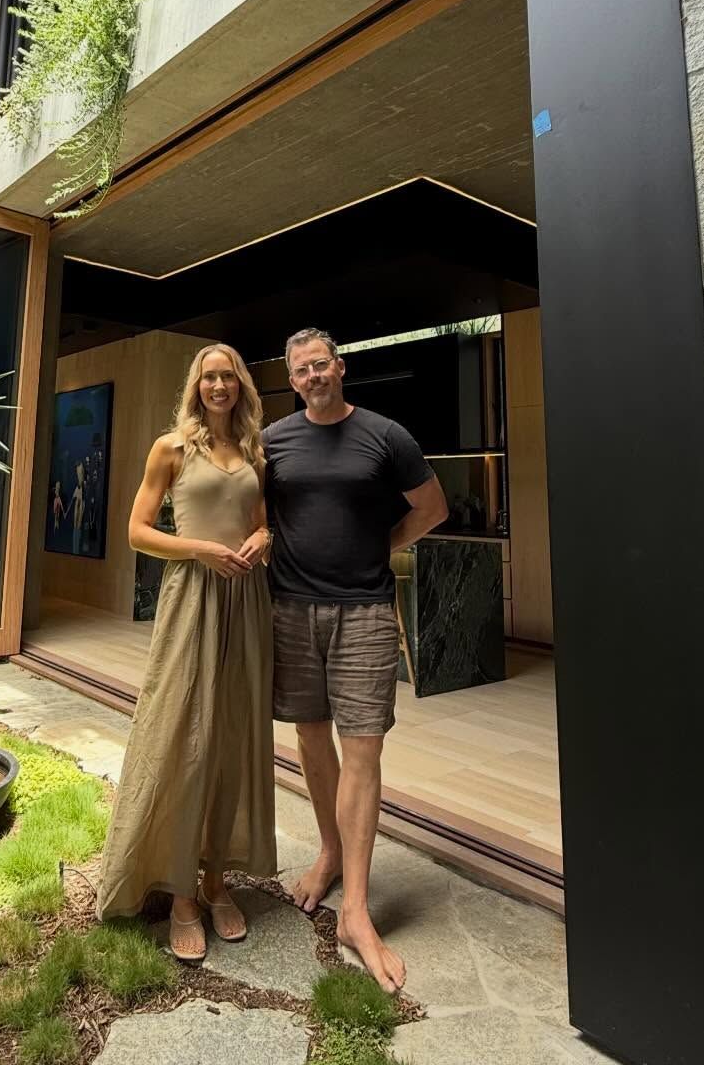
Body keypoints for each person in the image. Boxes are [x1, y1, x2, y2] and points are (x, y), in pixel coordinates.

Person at [265, 327, 447, 994]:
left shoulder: (385, 435)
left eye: (321, 364)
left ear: (340, 368)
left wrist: (380, 545)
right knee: (311, 738)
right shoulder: (273, 442)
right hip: (290, 610)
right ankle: (331, 852)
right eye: (301, 369)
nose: (313, 375)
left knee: (363, 749)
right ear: (292, 381)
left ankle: (357, 912)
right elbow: (257, 512)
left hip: (366, 612)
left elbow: (432, 508)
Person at [96, 343, 277, 962]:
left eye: (229, 376)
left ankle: (216, 882)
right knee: (185, 739)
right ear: (196, 386)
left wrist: (262, 539)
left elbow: (260, 521)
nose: (219, 386)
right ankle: (179, 895)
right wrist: (200, 549)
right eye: (209, 377)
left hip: (245, 602)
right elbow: (136, 532)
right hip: (192, 599)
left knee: (230, 739)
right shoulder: (170, 448)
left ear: (241, 385)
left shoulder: (253, 451)